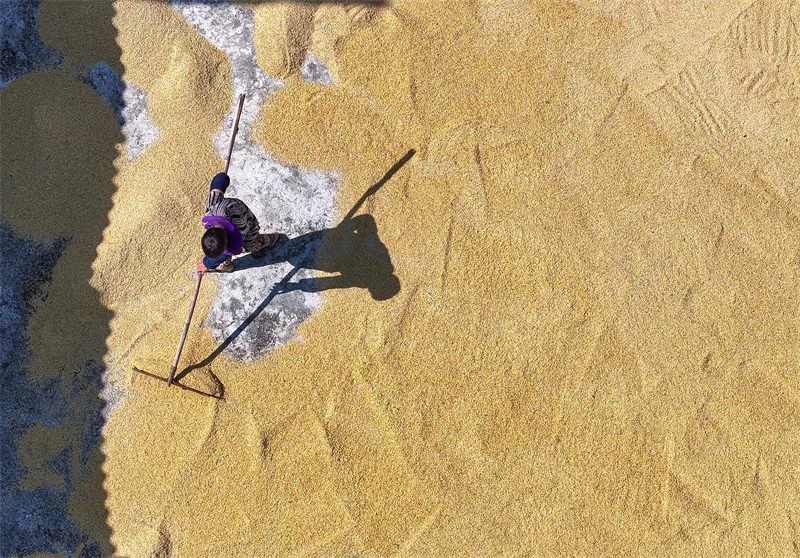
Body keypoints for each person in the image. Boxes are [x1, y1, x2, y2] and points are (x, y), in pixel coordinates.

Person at [197, 172, 278, 273]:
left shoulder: (236, 242)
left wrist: (206, 264)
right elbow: (220, 180)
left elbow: (221, 255)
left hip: (248, 231)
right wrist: (223, 177)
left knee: (252, 244)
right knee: (221, 251)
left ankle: (271, 239)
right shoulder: (213, 207)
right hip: (243, 212)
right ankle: (225, 264)